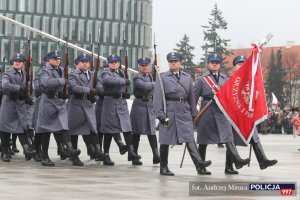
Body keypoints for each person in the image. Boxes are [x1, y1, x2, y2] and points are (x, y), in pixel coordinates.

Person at [153, 52, 211, 176]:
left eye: (176, 61)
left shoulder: (187, 77)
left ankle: (199, 163)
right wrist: (160, 115)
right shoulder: (162, 77)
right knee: (165, 139)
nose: (173, 63)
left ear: (180, 63)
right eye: (171, 61)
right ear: (169, 63)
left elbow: (191, 97)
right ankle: (163, 168)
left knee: (189, 137)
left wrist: (194, 113)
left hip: (184, 110)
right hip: (169, 111)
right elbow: (157, 98)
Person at [194, 53, 250, 175]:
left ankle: (233, 163)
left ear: (220, 65)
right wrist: (193, 114)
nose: (214, 64)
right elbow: (194, 98)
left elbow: (231, 96)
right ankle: (200, 166)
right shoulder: (202, 79)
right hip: (206, 109)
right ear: (208, 64)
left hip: (222, 110)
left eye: (217, 63)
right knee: (203, 139)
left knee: (228, 136)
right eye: (212, 62)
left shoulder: (226, 79)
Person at [224, 55, 277, 174]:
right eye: (239, 64)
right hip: (234, 115)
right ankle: (228, 166)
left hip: (247, 115)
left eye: (244, 64)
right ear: (234, 67)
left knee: (254, 136)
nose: (242, 66)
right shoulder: (230, 80)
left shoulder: (251, 81)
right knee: (232, 140)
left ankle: (262, 160)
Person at [36, 51, 80, 166]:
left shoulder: (62, 70)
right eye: (54, 59)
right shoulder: (45, 70)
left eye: (59, 59)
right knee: (46, 130)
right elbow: (46, 82)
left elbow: (68, 84)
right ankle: (45, 156)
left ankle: (70, 148)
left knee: (64, 126)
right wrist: (62, 81)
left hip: (60, 102)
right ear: (49, 60)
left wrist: (67, 90)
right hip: (48, 102)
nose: (57, 60)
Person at [100, 55, 140, 166]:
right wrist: (123, 81)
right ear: (108, 63)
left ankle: (131, 152)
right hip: (110, 104)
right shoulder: (105, 72)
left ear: (119, 63)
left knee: (127, 129)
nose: (113, 64)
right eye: (111, 62)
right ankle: (106, 155)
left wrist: (127, 92)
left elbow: (128, 85)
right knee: (109, 131)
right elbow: (108, 81)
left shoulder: (122, 73)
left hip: (122, 103)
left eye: (116, 62)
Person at [68, 54, 105, 165]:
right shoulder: (73, 75)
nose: (85, 63)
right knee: (74, 131)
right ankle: (74, 156)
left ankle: (97, 151)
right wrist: (89, 90)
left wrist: (96, 95)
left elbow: (99, 87)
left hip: (88, 104)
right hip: (76, 104)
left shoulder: (93, 75)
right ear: (77, 63)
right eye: (82, 61)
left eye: (87, 62)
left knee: (92, 129)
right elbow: (74, 87)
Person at [0, 53, 36, 162]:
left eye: (19, 61)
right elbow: (5, 85)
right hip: (9, 105)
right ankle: (5, 152)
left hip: (20, 105)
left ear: (23, 64)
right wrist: (18, 88)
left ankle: (27, 149)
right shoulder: (8, 73)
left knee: (22, 127)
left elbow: (30, 89)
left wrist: (29, 98)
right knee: (5, 130)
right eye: (15, 61)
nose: (17, 62)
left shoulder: (25, 74)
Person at [130, 57, 160, 165]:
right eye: (142, 66)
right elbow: (145, 87)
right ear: (139, 67)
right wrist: (156, 83)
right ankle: (134, 156)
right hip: (139, 106)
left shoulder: (150, 76)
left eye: (146, 66)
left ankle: (156, 155)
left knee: (152, 131)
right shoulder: (137, 77)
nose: (144, 68)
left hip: (150, 105)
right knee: (136, 132)